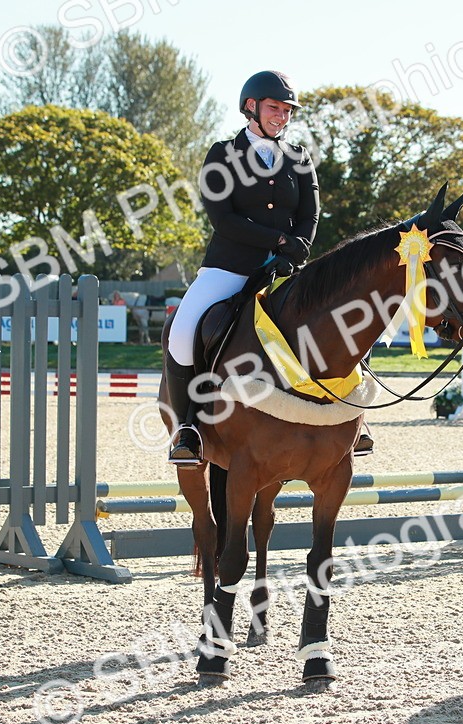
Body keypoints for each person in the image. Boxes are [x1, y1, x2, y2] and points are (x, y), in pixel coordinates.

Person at [164, 70, 320, 465]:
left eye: (287, 111)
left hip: (285, 269)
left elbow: (309, 216)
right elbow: (223, 219)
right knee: (182, 334)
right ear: (251, 107)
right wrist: (278, 241)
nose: (282, 116)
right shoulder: (222, 153)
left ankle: (354, 421)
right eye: (274, 108)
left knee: (332, 313)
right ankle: (189, 428)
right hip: (229, 266)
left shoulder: (300, 158)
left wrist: (295, 252)